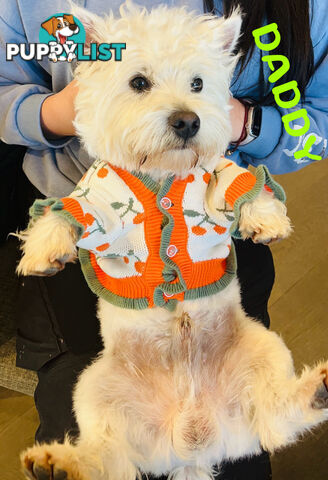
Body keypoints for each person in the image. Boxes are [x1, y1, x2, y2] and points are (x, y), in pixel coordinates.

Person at [0, 0, 327, 478]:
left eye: (196, 86)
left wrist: (241, 123)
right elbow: (76, 204)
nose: (181, 111)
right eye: (140, 84)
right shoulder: (104, 182)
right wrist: (64, 110)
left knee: (255, 360)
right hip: (95, 278)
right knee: (90, 392)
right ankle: (102, 460)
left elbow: (310, 133)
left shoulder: (299, 11)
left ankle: (282, 413)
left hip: (221, 270)